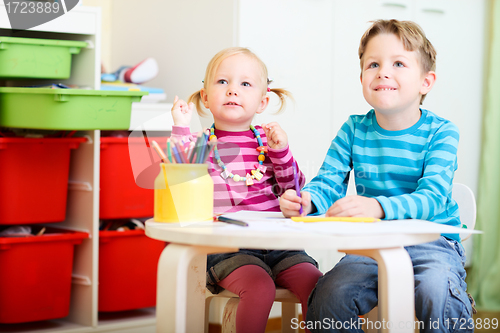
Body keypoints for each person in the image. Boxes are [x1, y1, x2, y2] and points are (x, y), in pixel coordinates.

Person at [280, 19, 474, 333]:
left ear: (426, 81)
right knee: (329, 295)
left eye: (398, 63)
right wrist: (307, 199)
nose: (383, 71)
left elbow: (434, 197)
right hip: (371, 245)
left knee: (437, 292)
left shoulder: (442, 132)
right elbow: (329, 181)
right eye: (374, 64)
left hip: (433, 242)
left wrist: (378, 207)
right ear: (361, 78)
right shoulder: (354, 129)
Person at [171, 47, 323, 333]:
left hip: (280, 246)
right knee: (259, 287)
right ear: (205, 97)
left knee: (317, 283)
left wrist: (281, 151)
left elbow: (293, 192)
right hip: (228, 250)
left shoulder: (268, 142)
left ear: (262, 101)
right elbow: (179, 180)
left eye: (245, 84)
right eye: (222, 82)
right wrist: (180, 128)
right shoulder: (201, 143)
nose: (232, 91)